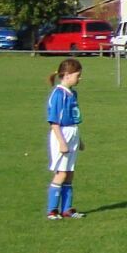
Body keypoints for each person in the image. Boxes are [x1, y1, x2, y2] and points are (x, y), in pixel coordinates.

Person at [45, 58, 87, 219]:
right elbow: (54, 121)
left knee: (69, 173)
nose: (80, 78)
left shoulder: (72, 93)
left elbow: (73, 118)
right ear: (68, 75)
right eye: (78, 75)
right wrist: (62, 142)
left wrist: (79, 140)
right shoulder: (58, 94)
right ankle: (52, 210)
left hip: (72, 134)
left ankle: (67, 209)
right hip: (61, 135)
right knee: (61, 173)